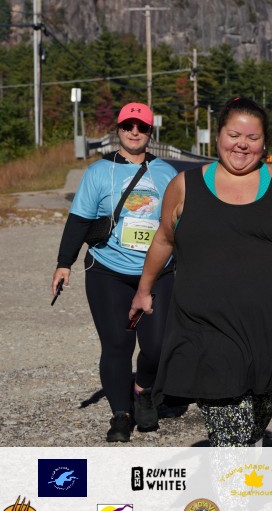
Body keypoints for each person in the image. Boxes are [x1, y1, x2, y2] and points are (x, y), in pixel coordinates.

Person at [130, 96, 272, 447]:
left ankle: (243, 475)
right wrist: (143, 290)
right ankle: (233, 481)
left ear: (264, 144)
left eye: (252, 138)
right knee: (232, 440)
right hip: (208, 330)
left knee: (251, 430)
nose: (242, 144)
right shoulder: (185, 185)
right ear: (218, 137)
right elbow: (163, 240)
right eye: (234, 135)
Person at [52, 102, 178, 443]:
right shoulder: (99, 172)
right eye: (128, 126)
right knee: (118, 345)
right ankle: (121, 414)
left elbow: (182, 223)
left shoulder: (167, 174)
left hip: (158, 273)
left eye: (142, 127)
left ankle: (143, 390)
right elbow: (79, 220)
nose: (134, 132)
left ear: (150, 132)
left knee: (157, 347)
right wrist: (64, 263)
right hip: (108, 270)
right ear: (118, 130)